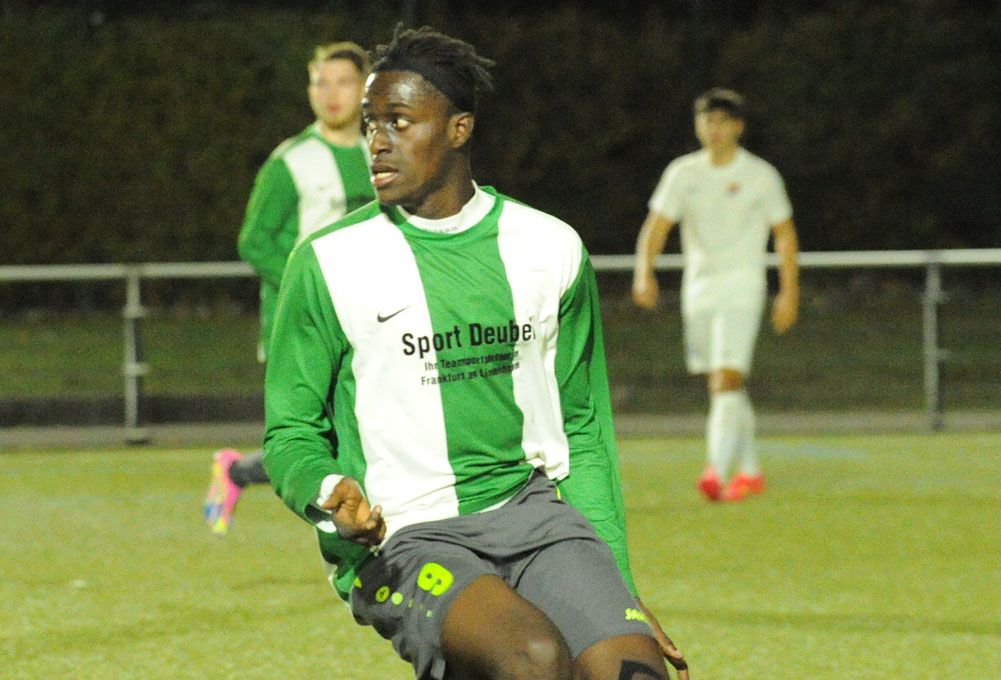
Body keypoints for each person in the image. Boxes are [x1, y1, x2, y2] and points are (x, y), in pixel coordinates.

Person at [263, 25, 688, 680]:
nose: (376, 142)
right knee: (532, 658)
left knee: (633, 672)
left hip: (534, 515)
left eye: (399, 121)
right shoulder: (327, 262)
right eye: (371, 124)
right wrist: (327, 490)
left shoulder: (548, 249)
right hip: (404, 533)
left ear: (458, 128)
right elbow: (289, 431)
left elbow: (582, 432)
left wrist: (617, 587)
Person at [203, 41, 376, 536]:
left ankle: (239, 472)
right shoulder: (291, 161)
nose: (331, 94)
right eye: (321, 83)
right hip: (303, 322)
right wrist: (312, 289)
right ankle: (246, 477)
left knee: (362, 431)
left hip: (370, 317)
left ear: (365, 89)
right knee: (315, 436)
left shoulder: (379, 150)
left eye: (343, 82)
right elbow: (254, 241)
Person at [632, 87, 800, 502]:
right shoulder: (683, 173)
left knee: (727, 377)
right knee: (722, 384)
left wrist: (788, 291)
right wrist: (643, 273)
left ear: (738, 127)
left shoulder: (760, 174)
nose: (715, 129)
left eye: (723, 121)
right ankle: (751, 471)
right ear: (698, 126)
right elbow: (657, 225)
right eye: (708, 121)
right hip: (699, 289)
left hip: (743, 286)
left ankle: (715, 470)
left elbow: (784, 233)